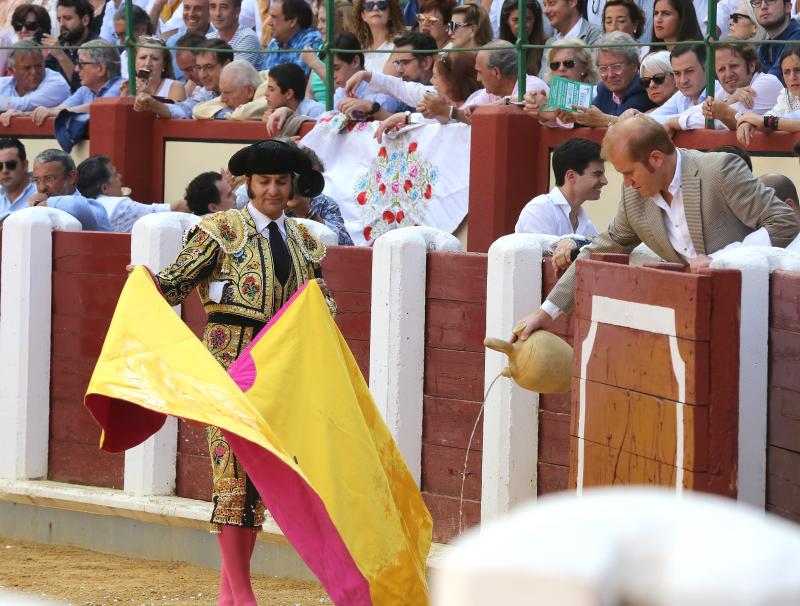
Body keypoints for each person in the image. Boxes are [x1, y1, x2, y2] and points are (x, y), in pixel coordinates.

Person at [148, 139, 335, 606]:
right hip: (229, 366)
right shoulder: (219, 230)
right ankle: (244, 598)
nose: (273, 190)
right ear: (247, 183)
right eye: (264, 181)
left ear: (293, 185)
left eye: (281, 182)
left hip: (281, 369)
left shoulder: (305, 239)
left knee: (257, 483)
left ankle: (229, 599)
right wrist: (145, 283)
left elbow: (318, 298)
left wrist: (325, 312)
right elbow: (174, 284)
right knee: (232, 477)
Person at [512, 114, 800, 341]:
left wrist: (725, 259)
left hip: (758, 316)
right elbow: (601, 247)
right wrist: (545, 312)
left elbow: (785, 222)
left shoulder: (719, 171)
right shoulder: (634, 197)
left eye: (629, 172)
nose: (625, 183)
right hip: (697, 321)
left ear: (656, 159)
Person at [674, 42, 782, 131]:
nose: (728, 74)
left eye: (734, 66)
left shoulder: (767, 83)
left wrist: (674, 123)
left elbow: (718, 122)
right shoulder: (727, 93)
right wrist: (729, 101)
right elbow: (690, 113)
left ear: (751, 65)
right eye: (721, 69)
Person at [557, 31, 654, 128]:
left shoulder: (643, 87)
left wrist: (601, 119)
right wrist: (573, 117)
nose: (610, 75)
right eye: (603, 68)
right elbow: (591, 118)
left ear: (634, 64)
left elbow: (625, 123)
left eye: (616, 67)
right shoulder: (603, 88)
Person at [515, 138, 604, 236]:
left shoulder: (588, 226)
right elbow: (539, 251)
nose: (605, 181)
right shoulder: (540, 210)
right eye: (597, 174)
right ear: (571, 176)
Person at [134, 38, 233, 119]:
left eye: (209, 67)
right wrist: (152, 103)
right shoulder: (205, 93)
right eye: (199, 68)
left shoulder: (243, 85)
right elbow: (184, 109)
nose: (202, 75)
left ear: (227, 65)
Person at [76, 155, 179, 232]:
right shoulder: (121, 207)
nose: (120, 177)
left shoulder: (79, 205)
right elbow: (175, 209)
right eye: (115, 175)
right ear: (105, 188)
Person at [31, 39, 122, 126]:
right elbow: (59, 109)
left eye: (81, 64)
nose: (76, 69)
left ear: (100, 69)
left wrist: (54, 112)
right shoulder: (85, 90)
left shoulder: (121, 86)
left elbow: (98, 107)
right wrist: (24, 114)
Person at [342, 31, 438, 108]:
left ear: (426, 63)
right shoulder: (403, 89)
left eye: (405, 63)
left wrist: (371, 108)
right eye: (398, 63)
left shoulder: (442, 91)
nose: (399, 70)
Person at [27, 148, 112, 231]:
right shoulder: (37, 207)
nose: (42, 188)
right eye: (37, 180)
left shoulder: (95, 210)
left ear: (71, 177)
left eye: (49, 178)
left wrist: (39, 204)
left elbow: (77, 207)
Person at [638, 44, 716, 124]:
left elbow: (705, 119)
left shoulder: (719, 93)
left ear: (707, 68)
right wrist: (635, 116)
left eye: (689, 71)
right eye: (677, 73)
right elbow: (650, 120)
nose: (683, 80)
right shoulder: (680, 96)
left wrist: (674, 122)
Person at [737, 47, 800, 144]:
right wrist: (749, 123)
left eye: (798, 70)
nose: (792, 77)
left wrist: (765, 121)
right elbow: (771, 116)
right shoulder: (787, 97)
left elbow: (795, 118)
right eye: (786, 72)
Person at [0, 41, 71, 122]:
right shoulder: (3, 83)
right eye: (27, 68)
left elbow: (24, 105)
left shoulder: (57, 83)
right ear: (11, 71)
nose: (34, 72)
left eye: (38, 66)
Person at [45, 0, 98, 92]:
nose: (62, 24)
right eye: (59, 19)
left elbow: (83, 87)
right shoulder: (61, 42)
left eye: (68, 18)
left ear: (85, 20)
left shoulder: (97, 47)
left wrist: (61, 56)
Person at [540, 0, 602, 77]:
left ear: (572, 2)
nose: (545, 11)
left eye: (552, 3)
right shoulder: (550, 43)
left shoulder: (596, 35)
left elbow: (597, 78)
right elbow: (543, 80)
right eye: (545, 5)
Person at [263, 0, 322, 75]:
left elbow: (295, 82)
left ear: (292, 21)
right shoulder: (273, 43)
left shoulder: (312, 40)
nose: (269, 23)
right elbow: (263, 79)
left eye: (274, 17)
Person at [121, 37, 187, 102]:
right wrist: (124, 98)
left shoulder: (175, 87)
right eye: (143, 58)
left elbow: (174, 112)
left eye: (155, 58)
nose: (147, 63)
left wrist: (149, 96)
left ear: (164, 64)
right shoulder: (130, 87)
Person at [165, 0, 216, 82]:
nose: (191, 14)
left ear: (210, 12)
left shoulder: (217, 43)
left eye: (198, 8)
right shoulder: (172, 42)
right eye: (187, 8)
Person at [194, 58, 262, 119]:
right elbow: (198, 110)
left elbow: (243, 114)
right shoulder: (226, 98)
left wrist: (228, 115)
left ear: (250, 91)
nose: (222, 99)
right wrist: (228, 114)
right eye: (221, 92)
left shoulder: (265, 96)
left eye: (228, 92)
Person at [349, 0, 405, 73]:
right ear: (363, 16)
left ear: (391, 14)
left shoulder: (401, 44)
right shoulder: (359, 47)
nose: (375, 8)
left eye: (382, 4)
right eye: (369, 5)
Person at [208, 0, 262, 69]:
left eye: (224, 7)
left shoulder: (247, 38)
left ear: (237, 11)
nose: (217, 13)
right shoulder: (209, 37)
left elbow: (234, 77)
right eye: (213, 7)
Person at [754, 0, 800, 80]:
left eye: (770, 0)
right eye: (758, 2)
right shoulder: (762, 47)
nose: (763, 6)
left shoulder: (797, 37)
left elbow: (772, 82)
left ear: (788, 7)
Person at [498, 0, 547, 75]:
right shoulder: (497, 48)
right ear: (507, 21)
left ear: (535, 20)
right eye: (516, 20)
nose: (522, 26)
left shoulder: (546, 44)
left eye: (528, 19)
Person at [0, 137, 36, 214]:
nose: (4, 170)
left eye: (11, 164)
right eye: (0, 166)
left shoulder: (40, 193)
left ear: (25, 165)